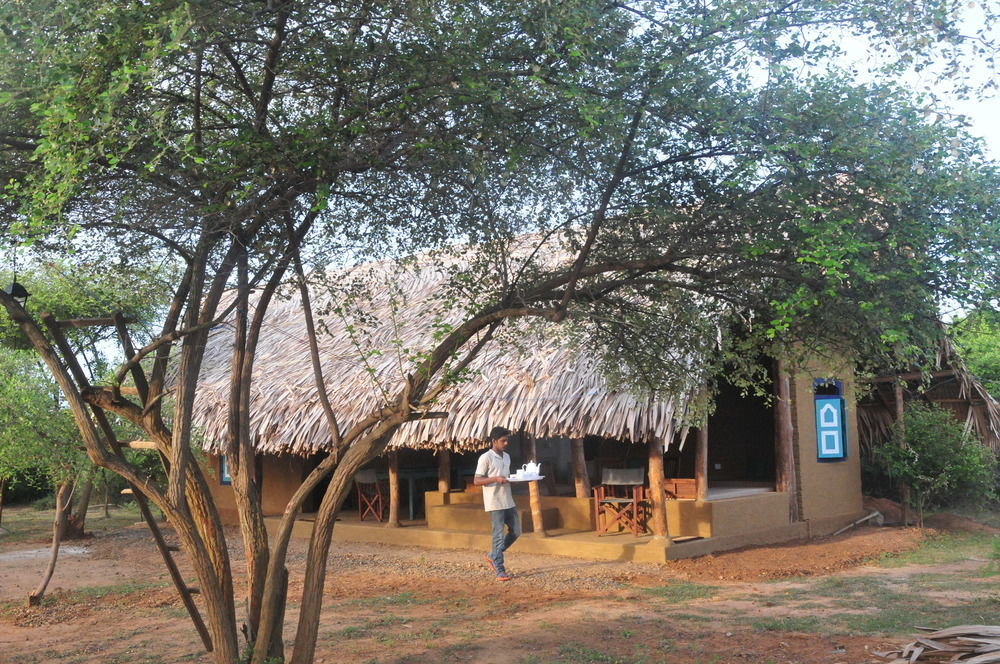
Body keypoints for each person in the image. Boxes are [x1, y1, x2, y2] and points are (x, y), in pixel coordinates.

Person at [474, 426, 520, 581]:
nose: (506, 443)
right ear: (493, 441)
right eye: (503, 440)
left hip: (508, 500)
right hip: (494, 502)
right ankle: (500, 569)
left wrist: (512, 480)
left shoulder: (507, 457)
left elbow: (505, 477)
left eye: (507, 440)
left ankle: (493, 555)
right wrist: (495, 479)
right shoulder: (485, 458)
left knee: (516, 531)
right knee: (498, 536)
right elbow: (477, 480)